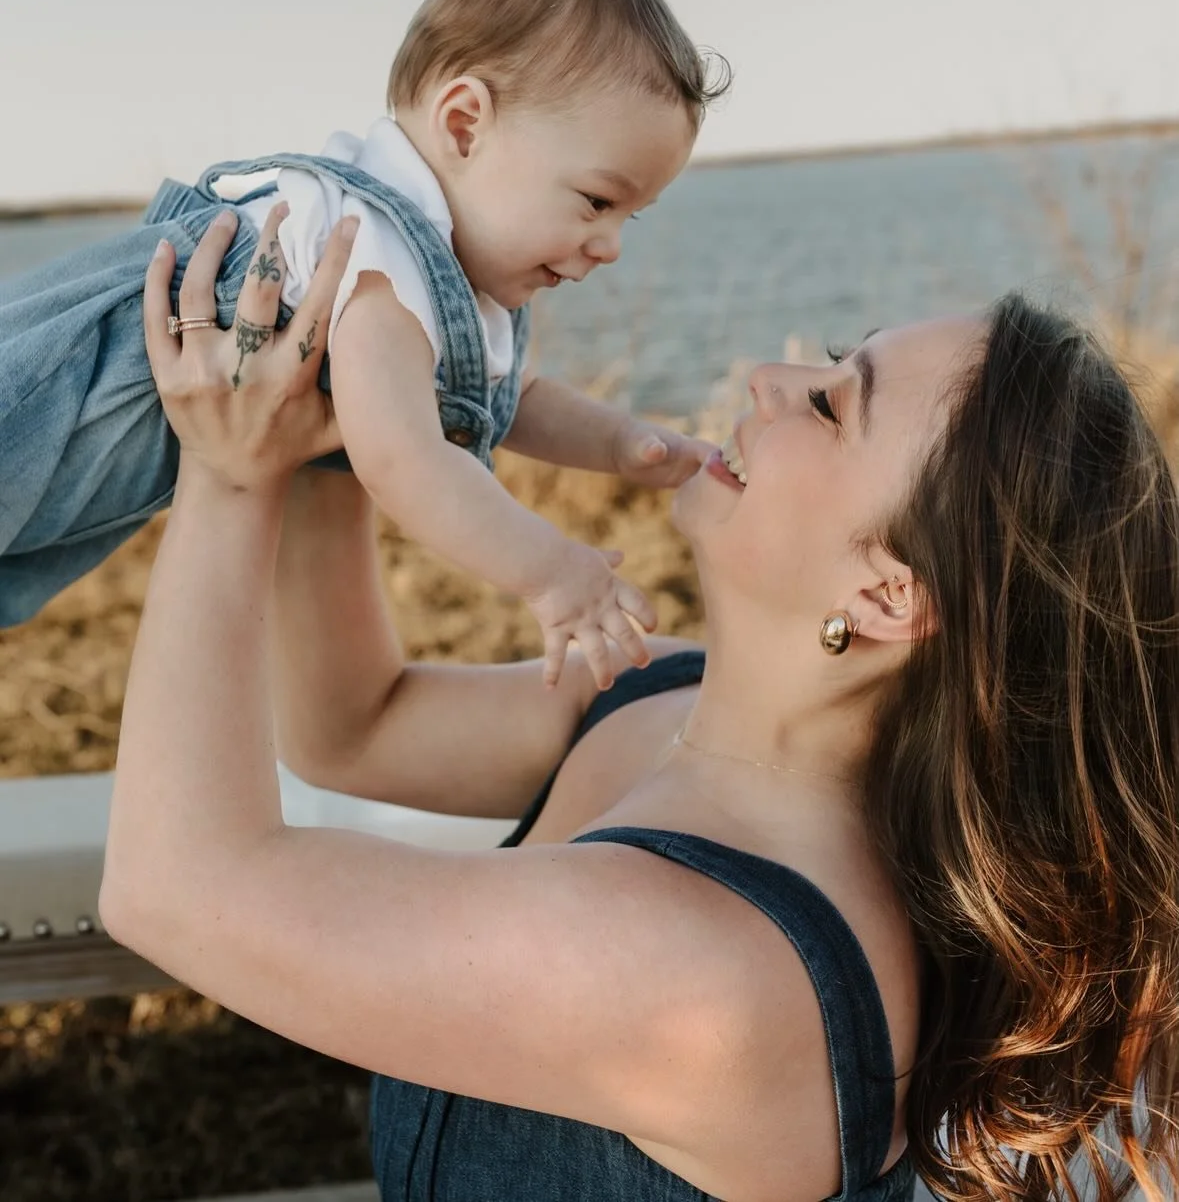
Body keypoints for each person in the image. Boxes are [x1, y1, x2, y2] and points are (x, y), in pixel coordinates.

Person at [100, 212, 1179, 1202]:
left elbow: (174, 890)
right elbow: (356, 727)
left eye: (832, 404)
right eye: (832, 358)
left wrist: (231, 475)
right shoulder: (654, 692)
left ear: (888, 596)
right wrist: (340, 413)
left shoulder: (713, 976)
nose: (767, 379)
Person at [0, 0, 727, 686]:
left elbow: (506, 401)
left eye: (627, 218)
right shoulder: (377, 255)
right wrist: (551, 572)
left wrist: (619, 444)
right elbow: (403, 458)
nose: (609, 246)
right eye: (596, 201)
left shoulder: (433, 276)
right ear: (463, 126)